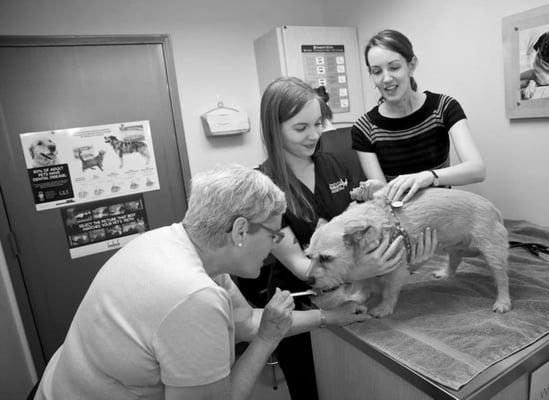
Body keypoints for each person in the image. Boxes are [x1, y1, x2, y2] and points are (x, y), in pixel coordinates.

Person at [33, 165, 370, 400]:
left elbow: (249, 321)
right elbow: (258, 336)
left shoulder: (179, 244)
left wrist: (329, 317)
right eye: (274, 234)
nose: (274, 245)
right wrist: (268, 340)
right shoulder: (193, 296)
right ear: (239, 231)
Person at [255, 76, 438, 399]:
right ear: (274, 128)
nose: (314, 135)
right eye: (301, 128)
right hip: (300, 305)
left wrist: (406, 257)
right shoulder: (262, 186)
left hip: (350, 296)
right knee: (312, 389)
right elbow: (302, 264)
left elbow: (361, 232)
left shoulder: (333, 164)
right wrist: (363, 271)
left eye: (317, 124)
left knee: (350, 382)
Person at [352, 29, 486, 203]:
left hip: (442, 212)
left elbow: (477, 170)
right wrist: (377, 191)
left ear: (411, 65)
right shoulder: (364, 128)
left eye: (394, 67)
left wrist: (428, 177)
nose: (386, 79)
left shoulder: (444, 107)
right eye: (377, 72)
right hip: (400, 220)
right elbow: (384, 195)